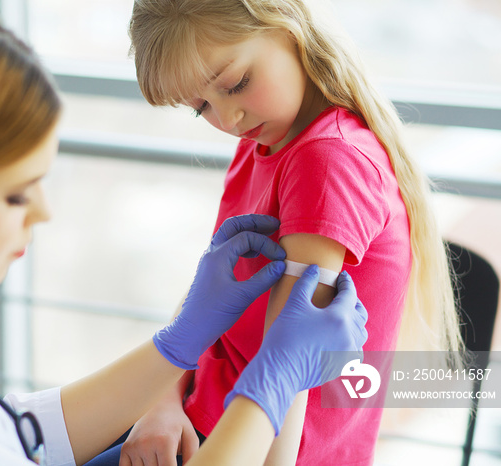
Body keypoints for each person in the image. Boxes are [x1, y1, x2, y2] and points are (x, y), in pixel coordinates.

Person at [0, 1, 368, 466]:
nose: (43, 212)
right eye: (14, 193)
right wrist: (273, 383)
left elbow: (19, 431)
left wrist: (175, 352)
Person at [90, 1, 465, 465]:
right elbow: (205, 305)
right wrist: (161, 402)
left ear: (287, 28)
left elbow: (287, 378)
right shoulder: (265, 139)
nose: (228, 120)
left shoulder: (326, 163)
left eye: (235, 85)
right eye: (201, 107)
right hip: (198, 422)